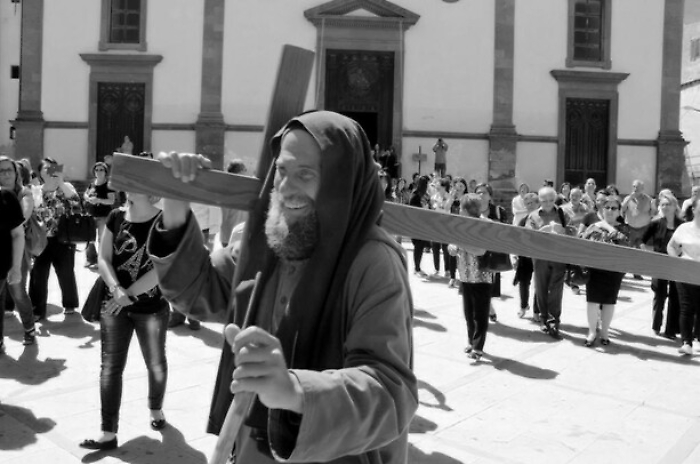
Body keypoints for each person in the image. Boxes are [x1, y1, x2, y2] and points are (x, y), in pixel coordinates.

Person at [147, 111, 418, 463]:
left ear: (341, 182)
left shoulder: (374, 262)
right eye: (282, 171)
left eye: (306, 174)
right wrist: (175, 202)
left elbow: (390, 391)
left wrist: (295, 391)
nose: (287, 188)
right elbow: (199, 292)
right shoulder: (270, 237)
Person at [79, 190, 169, 450]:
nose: (129, 186)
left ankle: (155, 408)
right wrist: (116, 290)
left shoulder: (165, 222)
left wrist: (127, 294)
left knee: (155, 363)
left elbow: (162, 269)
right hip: (114, 305)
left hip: (151, 308)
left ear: (151, 189)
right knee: (110, 368)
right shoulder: (115, 216)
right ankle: (108, 432)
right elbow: (104, 258)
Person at [29, 158, 81, 320]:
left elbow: (77, 204)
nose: (50, 171)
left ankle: (70, 303)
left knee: (66, 272)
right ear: (40, 172)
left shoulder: (66, 187)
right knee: (38, 275)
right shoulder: (35, 190)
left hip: (63, 238)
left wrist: (61, 182)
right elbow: (33, 210)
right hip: (41, 239)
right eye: (46, 169)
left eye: (53, 168)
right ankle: (37, 310)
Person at [580, 195, 630, 347]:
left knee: (609, 302)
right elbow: (583, 241)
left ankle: (605, 332)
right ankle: (592, 332)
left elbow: (624, 242)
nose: (610, 210)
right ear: (602, 209)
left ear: (619, 211)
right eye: (607, 207)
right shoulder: (593, 226)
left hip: (614, 270)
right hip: (594, 269)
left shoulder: (624, 228)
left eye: (614, 208)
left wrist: (607, 227)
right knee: (592, 301)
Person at [448, 194, 493, 361]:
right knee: (468, 312)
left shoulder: (486, 224)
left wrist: (459, 244)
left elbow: (481, 250)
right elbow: (452, 243)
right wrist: (452, 246)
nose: (459, 210)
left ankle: (478, 347)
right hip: (465, 274)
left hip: (481, 276)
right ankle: (471, 341)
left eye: (461, 207)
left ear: (467, 210)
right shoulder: (459, 224)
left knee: (480, 314)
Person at [526, 186, 573, 338]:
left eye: (551, 200)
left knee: (556, 290)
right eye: (544, 200)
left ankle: (554, 322)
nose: (547, 203)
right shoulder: (533, 215)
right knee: (541, 288)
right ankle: (543, 318)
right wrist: (541, 232)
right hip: (540, 257)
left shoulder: (563, 213)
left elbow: (573, 232)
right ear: (539, 200)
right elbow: (527, 236)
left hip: (558, 256)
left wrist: (563, 231)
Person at [0, 157, 37, 345]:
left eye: (9, 169)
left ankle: (29, 328)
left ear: (16, 173)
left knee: (17, 290)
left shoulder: (23, 193)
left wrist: (8, 213)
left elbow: (24, 216)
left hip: (17, 248)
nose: (6, 173)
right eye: (1, 170)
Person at [642, 192, 683, 339]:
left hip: (677, 263)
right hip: (659, 263)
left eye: (668, 204)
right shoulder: (656, 223)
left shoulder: (682, 225)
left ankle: (671, 330)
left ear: (674, 206)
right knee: (659, 295)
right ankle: (656, 326)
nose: (665, 207)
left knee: (675, 296)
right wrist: (649, 255)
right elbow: (642, 240)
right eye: (663, 204)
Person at [667, 198, 700, 356]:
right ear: (694, 209)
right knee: (686, 308)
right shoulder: (684, 228)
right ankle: (687, 342)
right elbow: (671, 246)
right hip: (685, 272)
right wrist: (677, 262)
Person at [83, 161, 116, 268]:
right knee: (89, 238)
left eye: (101, 170)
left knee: (102, 239)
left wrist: (98, 200)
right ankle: (90, 259)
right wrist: (88, 198)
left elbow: (111, 201)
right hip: (91, 215)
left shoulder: (109, 185)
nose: (98, 172)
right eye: (96, 170)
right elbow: (85, 194)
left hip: (104, 216)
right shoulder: (92, 184)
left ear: (105, 172)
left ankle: (102, 261)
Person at [513, 192, 540, 319]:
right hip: (525, 256)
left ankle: (537, 311)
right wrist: (515, 256)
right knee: (523, 282)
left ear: (538, 204)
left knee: (539, 284)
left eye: (532, 203)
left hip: (539, 255)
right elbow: (517, 238)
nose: (529, 206)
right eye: (527, 204)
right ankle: (523, 306)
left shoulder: (543, 219)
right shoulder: (523, 220)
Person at [621, 179, 654, 280]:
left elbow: (653, 213)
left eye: (638, 187)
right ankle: (622, 272)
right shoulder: (628, 198)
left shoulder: (648, 200)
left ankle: (637, 272)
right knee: (626, 251)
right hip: (630, 228)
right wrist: (629, 199)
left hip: (642, 229)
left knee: (640, 253)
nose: (635, 189)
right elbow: (622, 210)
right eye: (634, 186)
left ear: (642, 188)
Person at [219, 159, 249, 248]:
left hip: (237, 236)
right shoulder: (227, 192)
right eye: (244, 170)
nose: (246, 173)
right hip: (231, 238)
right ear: (239, 172)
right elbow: (222, 218)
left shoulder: (245, 188)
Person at [410, 175, 432, 279]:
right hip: (415, 224)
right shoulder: (415, 195)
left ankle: (418, 267)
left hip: (423, 224)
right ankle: (417, 268)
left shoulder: (425, 195)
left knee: (420, 246)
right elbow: (413, 210)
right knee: (418, 246)